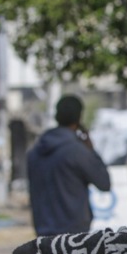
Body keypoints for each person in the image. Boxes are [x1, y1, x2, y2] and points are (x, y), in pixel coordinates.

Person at [27, 94, 111, 235]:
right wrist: (91, 151)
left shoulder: (34, 152)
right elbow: (104, 183)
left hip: (43, 232)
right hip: (74, 236)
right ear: (79, 118)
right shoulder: (77, 151)